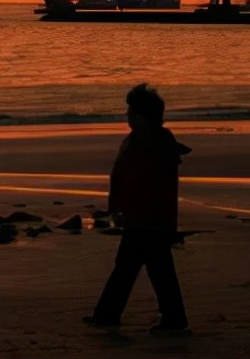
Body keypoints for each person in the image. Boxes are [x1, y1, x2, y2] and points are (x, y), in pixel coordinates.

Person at [85, 83, 191, 334]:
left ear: (142, 116)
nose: (127, 115)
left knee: (139, 268)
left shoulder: (155, 145)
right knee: (143, 268)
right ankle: (111, 314)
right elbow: (122, 180)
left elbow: (141, 183)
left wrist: (121, 210)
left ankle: (109, 315)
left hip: (150, 219)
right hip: (144, 218)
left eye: (131, 111)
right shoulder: (140, 142)